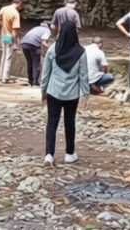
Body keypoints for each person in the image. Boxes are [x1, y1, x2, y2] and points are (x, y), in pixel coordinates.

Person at [40, 21, 89, 166]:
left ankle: (49, 155)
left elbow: (46, 73)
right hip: (72, 95)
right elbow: (84, 76)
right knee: (69, 122)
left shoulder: (53, 49)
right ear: (74, 33)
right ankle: (69, 154)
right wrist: (85, 95)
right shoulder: (81, 52)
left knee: (52, 122)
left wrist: (43, 91)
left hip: (53, 93)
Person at [0, 0, 23, 84]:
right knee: (8, 58)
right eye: (22, 4)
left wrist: (4, 25)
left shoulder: (4, 8)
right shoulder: (15, 13)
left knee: (4, 56)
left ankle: (0, 76)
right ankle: (5, 78)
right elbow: (14, 31)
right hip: (10, 36)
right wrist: (16, 43)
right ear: (20, 3)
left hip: (3, 36)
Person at [21, 21, 51, 86]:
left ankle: (30, 81)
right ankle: (35, 82)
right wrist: (48, 50)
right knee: (36, 64)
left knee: (30, 63)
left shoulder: (36, 28)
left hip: (24, 43)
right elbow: (43, 42)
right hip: (33, 45)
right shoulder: (47, 30)